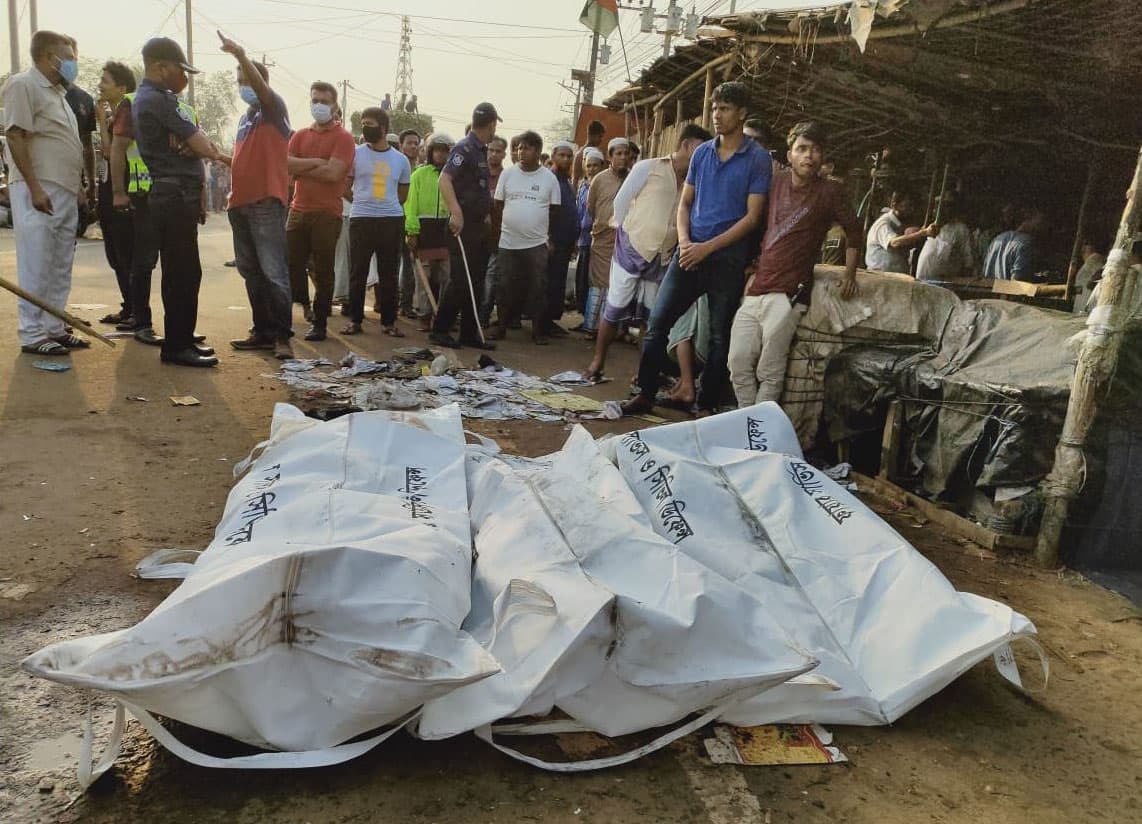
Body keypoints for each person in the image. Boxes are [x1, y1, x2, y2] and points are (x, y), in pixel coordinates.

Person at [620, 81, 771, 417]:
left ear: (742, 113)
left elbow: (752, 217)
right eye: (715, 108)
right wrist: (686, 242)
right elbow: (685, 203)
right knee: (657, 324)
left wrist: (707, 248)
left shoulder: (758, 159)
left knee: (719, 337)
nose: (717, 115)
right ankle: (644, 392)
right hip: (688, 254)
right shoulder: (702, 153)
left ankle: (705, 404)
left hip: (727, 259)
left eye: (725, 109)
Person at [728, 121, 862, 407]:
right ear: (789, 154)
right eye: (801, 149)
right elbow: (755, 222)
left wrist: (850, 274)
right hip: (757, 288)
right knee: (737, 363)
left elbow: (854, 231)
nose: (808, 156)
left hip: (790, 294)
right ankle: (748, 423)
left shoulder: (830, 192)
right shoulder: (774, 183)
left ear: (822, 156)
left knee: (769, 370)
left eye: (815, 150)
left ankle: (757, 433)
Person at [582, 124, 712, 382]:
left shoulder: (695, 179)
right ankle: (597, 363)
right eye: (701, 148)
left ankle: (642, 374)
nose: (705, 154)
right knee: (614, 307)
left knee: (651, 317)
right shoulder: (648, 167)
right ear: (687, 145)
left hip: (662, 256)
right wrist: (626, 232)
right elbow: (621, 203)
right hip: (632, 248)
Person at [133, 36, 230, 367]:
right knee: (182, 272)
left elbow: (196, 143)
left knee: (183, 271)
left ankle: (182, 338)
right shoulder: (158, 100)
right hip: (173, 194)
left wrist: (193, 142)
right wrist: (196, 142)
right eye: (180, 70)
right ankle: (176, 346)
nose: (184, 77)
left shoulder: (155, 99)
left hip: (177, 193)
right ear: (161, 67)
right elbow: (202, 145)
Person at [2, 30, 87, 356]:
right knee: (37, 261)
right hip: (36, 186)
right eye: (68, 57)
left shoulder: (57, 95)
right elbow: (16, 137)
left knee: (58, 263)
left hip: (62, 189)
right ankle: (33, 333)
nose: (72, 63)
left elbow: (63, 144)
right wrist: (35, 187)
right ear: (48, 56)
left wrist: (77, 186)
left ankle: (54, 326)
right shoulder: (24, 84)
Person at [218, 31, 294, 360]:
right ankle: (262, 331)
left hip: (266, 203)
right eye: (238, 80)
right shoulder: (244, 119)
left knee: (274, 272)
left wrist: (240, 55)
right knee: (251, 272)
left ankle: (282, 336)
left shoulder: (273, 108)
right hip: (240, 204)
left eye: (245, 77)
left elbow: (261, 90)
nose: (242, 84)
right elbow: (244, 160)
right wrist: (216, 156)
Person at [286, 80, 355, 340]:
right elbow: (286, 165)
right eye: (314, 100)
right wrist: (317, 162)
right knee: (293, 264)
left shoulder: (344, 138)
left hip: (327, 213)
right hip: (298, 209)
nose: (318, 106)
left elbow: (334, 172)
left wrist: (302, 166)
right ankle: (302, 305)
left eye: (324, 102)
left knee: (323, 269)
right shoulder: (300, 135)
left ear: (334, 105)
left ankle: (321, 322)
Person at [429, 101, 501, 350]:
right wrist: (456, 212)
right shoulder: (464, 148)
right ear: (491, 124)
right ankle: (440, 329)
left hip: (478, 225)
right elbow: (444, 179)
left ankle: (469, 333)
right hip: (463, 226)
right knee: (461, 279)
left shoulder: (480, 149)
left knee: (476, 280)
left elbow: (477, 188)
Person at [486, 130, 560, 344]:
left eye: (526, 148)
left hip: (536, 244)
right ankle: (501, 327)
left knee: (537, 287)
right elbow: (498, 206)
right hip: (508, 242)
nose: (521, 151)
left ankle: (537, 332)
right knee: (504, 286)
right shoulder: (507, 175)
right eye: (519, 148)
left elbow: (554, 210)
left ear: (538, 151)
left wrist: (545, 235)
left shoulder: (548, 178)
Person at [346, 106, 411, 336]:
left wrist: (385, 206)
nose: (365, 128)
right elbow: (346, 186)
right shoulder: (356, 154)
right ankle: (355, 320)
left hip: (390, 221)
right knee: (358, 272)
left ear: (383, 128)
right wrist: (362, 202)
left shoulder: (401, 160)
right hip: (361, 219)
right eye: (363, 123)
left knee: (389, 274)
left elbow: (403, 194)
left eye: (369, 124)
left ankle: (389, 322)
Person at [94, 61, 136, 326]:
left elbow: (110, 152)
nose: (100, 85)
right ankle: (128, 306)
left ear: (121, 87)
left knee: (125, 253)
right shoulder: (117, 114)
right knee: (115, 254)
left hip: (122, 191)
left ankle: (134, 310)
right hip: (109, 189)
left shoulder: (127, 111)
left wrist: (101, 120)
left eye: (105, 81)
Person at [405, 132, 454, 331]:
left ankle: (443, 316)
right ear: (430, 151)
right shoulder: (418, 175)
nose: (440, 155)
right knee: (423, 278)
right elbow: (410, 206)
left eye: (444, 151)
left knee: (447, 277)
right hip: (424, 231)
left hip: (445, 231)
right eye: (437, 150)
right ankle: (425, 316)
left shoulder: (453, 177)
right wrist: (412, 231)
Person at [583, 137, 632, 334]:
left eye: (626, 154)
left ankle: (612, 330)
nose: (623, 157)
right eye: (618, 154)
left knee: (618, 284)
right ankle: (591, 327)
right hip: (602, 239)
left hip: (625, 241)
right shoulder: (600, 179)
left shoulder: (634, 178)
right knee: (598, 283)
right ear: (610, 157)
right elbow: (591, 208)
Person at [544, 140, 578, 337]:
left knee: (558, 282)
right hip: (552, 241)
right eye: (561, 155)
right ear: (553, 156)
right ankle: (543, 323)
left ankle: (550, 321)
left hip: (565, 242)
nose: (565, 159)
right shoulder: (549, 179)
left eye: (568, 156)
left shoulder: (566, 181)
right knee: (549, 283)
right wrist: (547, 238)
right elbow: (546, 211)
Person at [61, 36, 97, 217]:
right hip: (46, 178)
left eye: (74, 58)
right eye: (67, 59)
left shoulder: (85, 100)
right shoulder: (38, 93)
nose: (72, 63)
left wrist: (90, 182)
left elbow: (87, 144)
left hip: (75, 180)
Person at [865, 190, 935, 273]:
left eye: (912, 207)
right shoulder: (883, 224)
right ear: (894, 205)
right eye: (907, 206)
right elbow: (894, 242)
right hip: (879, 276)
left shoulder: (900, 225)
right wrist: (923, 233)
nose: (910, 210)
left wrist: (920, 234)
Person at [479, 134, 508, 326]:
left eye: (498, 151)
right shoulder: (477, 174)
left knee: (491, 277)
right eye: (491, 150)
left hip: (498, 235)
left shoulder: (508, 177)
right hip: (475, 234)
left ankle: (484, 316)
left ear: (504, 154)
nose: (494, 155)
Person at [573, 147, 605, 319]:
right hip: (583, 239)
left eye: (595, 165)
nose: (592, 168)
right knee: (581, 280)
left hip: (596, 239)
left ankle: (590, 318)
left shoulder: (601, 185)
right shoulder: (583, 186)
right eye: (589, 165)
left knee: (591, 280)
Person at [915, 196, 976, 281]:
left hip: (944, 282)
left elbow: (968, 260)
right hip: (923, 278)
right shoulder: (928, 227)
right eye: (936, 206)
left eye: (946, 206)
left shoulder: (960, 229)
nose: (938, 210)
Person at [395, 128, 421, 317]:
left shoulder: (422, 169)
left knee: (412, 263)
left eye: (416, 143)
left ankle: (407, 304)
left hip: (414, 222)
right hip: (395, 218)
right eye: (409, 143)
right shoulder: (395, 165)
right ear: (401, 145)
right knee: (394, 263)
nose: (413, 146)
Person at [983, 206, 1046, 282]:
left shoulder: (997, 239)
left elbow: (985, 273)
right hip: (1008, 292)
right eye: (1043, 220)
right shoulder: (1026, 243)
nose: (1044, 226)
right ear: (1030, 217)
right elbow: (1019, 283)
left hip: (990, 292)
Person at [1071, 232, 1109, 315]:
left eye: (1086, 244)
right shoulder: (1089, 262)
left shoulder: (1096, 259)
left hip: (1088, 306)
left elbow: (1098, 277)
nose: (1083, 247)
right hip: (1082, 304)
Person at [573, 119, 605, 189]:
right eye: (600, 136)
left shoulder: (599, 153)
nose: (601, 140)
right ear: (591, 135)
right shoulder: (580, 155)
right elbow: (575, 180)